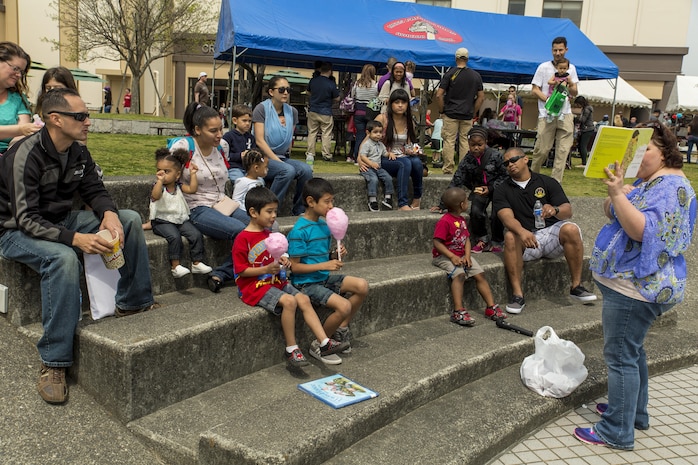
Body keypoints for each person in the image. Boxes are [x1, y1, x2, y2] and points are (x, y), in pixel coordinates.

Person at [0, 88, 156, 404]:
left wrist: (109, 213)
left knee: (127, 219)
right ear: (55, 119)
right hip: (15, 230)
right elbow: (26, 219)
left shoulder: (77, 150)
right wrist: (76, 239)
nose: (88, 121)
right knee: (63, 257)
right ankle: (54, 362)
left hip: (58, 220)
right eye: (81, 116)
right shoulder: (23, 155)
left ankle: (134, 301)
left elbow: (94, 189)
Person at [573, 122, 696, 450]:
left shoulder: (670, 187)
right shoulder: (652, 181)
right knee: (632, 350)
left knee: (620, 355)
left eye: (647, 150)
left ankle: (616, 429)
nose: (639, 157)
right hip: (631, 285)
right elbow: (616, 214)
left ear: (665, 151)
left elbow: (644, 231)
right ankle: (634, 413)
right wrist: (618, 194)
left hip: (636, 288)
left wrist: (617, 194)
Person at [232, 186, 349, 367]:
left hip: (276, 281)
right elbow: (241, 272)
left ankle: (324, 342)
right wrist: (265, 270)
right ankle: (291, 348)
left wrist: (284, 260)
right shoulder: (243, 239)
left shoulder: (269, 234)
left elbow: (278, 255)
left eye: (275, 211)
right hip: (253, 287)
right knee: (290, 301)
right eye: (269, 211)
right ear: (253, 212)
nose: (274, 216)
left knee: (303, 298)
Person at [493, 147, 596, 314]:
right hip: (526, 239)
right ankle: (518, 295)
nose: (510, 165)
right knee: (511, 236)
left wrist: (555, 210)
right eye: (506, 164)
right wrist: (522, 231)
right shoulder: (502, 189)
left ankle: (576, 286)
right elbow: (506, 218)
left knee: (571, 228)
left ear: (525, 159)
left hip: (550, 234)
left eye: (513, 160)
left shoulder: (546, 182)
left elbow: (567, 210)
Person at [287, 178, 369, 364]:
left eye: (332, 201)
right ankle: (319, 344)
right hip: (306, 283)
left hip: (323, 278)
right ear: (310, 201)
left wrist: (334, 255)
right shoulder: (299, 231)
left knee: (362, 286)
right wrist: (325, 265)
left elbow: (320, 256)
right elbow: (296, 267)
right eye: (327, 201)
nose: (331, 206)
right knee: (344, 306)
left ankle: (340, 330)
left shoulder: (325, 225)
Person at [171, 102, 249, 293]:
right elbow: (167, 177)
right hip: (196, 206)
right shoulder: (182, 146)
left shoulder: (222, 146)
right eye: (213, 130)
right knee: (241, 231)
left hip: (221, 202)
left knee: (261, 225)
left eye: (221, 128)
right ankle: (238, 272)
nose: (219, 135)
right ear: (197, 129)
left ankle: (221, 273)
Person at [432, 187, 506, 327]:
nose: (468, 203)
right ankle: (458, 311)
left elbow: (466, 240)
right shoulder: (445, 221)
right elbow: (437, 242)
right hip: (444, 256)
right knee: (459, 275)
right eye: (467, 200)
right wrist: (452, 257)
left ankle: (491, 307)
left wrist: (467, 255)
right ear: (462, 204)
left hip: (461, 255)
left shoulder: (461, 220)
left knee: (479, 274)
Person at [433, 127, 508, 253]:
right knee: (476, 212)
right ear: (468, 144)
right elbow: (457, 179)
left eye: (480, 145)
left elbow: (505, 175)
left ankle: (497, 241)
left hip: (497, 189)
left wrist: (491, 188)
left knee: (497, 214)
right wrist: (444, 204)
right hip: (479, 190)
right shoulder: (468, 159)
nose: (476, 148)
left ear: (486, 143)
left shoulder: (496, 156)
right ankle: (482, 239)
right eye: (473, 145)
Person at [253, 75, 313, 216]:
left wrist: (284, 158)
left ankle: (299, 209)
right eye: (281, 89)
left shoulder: (292, 112)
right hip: (263, 157)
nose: (285, 92)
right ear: (271, 92)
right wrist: (276, 160)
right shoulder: (261, 109)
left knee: (306, 170)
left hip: (282, 156)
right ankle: (268, 209)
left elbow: (288, 139)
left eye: (288, 89)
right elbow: (259, 140)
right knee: (287, 170)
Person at [150, 147, 213, 278]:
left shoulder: (178, 186)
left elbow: (192, 189)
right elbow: (155, 196)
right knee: (174, 236)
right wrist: (160, 182)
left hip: (179, 219)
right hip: (162, 221)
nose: (162, 174)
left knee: (195, 234)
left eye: (166, 171)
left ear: (177, 174)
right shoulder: (159, 186)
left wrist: (193, 174)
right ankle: (175, 266)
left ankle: (197, 262)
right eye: (159, 171)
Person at [529, 37, 579, 182]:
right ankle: (532, 179)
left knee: (562, 152)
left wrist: (570, 85)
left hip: (565, 113)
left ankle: (555, 184)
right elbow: (534, 89)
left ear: (566, 50)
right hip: (547, 113)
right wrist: (549, 100)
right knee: (542, 150)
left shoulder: (572, 68)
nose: (558, 53)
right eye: (555, 50)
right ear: (552, 50)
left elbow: (575, 92)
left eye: (560, 50)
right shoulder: (543, 67)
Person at [436, 47, 485, 174]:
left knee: (449, 140)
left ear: (456, 58)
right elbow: (481, 97)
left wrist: (442, 110)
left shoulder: (450, 73)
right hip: (467, 114)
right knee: (465, 141)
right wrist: (474, 111)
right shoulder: (476, 76)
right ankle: (464, 170)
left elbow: (439, 94)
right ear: (467, 59)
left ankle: (448, 169)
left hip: (451, 113)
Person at [373, 88, 423, 211]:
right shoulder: (382, 118)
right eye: (397, 102)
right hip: (384, 157)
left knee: (416, 162)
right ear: (391, 104)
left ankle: (417, 199)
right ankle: (402, 203)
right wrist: (360, 157)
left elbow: (409, 143)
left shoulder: (409, 121)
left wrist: (411, 150)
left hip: (402, 155)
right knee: (404, 163)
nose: (400, 105)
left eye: (403, 102)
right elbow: (368, 139)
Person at [0, 41, 38, 154]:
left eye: (21, 71)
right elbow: (23, 129)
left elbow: (22, 135)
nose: (19, 75)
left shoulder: (19, 99)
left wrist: (9, 157)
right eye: (15, 69)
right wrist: (20, 129)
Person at [305, 62, 339, 164]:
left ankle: (310, 154)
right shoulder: (331, 84)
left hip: (313, 110)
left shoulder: (313, 81)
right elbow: (337, 98)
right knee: (326, 134)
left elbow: (307, 92)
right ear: (330, 71)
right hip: (326, 111)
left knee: (312, 132)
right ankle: (326, 155)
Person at [357, 120, 394, 211]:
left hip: (378, 167)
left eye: (380, 132)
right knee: (373, 179)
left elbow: (384, 153)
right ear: (368, 133)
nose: (378, 135)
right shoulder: (367, 144)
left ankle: (388, 197)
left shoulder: (381, 145)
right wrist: (370, 163)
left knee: (388, 177)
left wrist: (390, 154)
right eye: (375, 132)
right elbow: (362, 156)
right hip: (368, 168)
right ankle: (372, 200)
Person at [223, 103, 256, 184]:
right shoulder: (228, 136)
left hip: (248, 169)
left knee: (259, 182)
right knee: (240, 181)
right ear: (235, 120)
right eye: (244, 121)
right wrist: (239, 155)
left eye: (249, 121)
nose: (247, 124)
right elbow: (224, 155)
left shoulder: (251, 137)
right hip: (234, 167)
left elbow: (255, 151)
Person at [351, 64, 379, 162]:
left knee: (359, 135)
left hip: (358, 112)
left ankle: (356, 157)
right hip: (371, 113)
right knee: (370, 136)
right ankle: (368, 156)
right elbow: (378, 97)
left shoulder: (357, 84)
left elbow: (353, 96)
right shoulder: (376, 84)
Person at [231, 148, 268, 217]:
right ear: (256, 168)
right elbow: (236, 200)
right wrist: (246, 211)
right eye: (265, 167)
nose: (267, 169)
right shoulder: (242, 182)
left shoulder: (261, 181)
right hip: (246, 213)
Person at [573, 96, 594, 166]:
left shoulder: (586, 109)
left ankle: (584, 163)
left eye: (578, 104)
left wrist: (575, 118)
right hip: (587, 129)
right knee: (582, 145)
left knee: (583, 146)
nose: (577, 106)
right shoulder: (586, 109)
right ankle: (583, 162)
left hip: (587, 129)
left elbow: (583, 120)